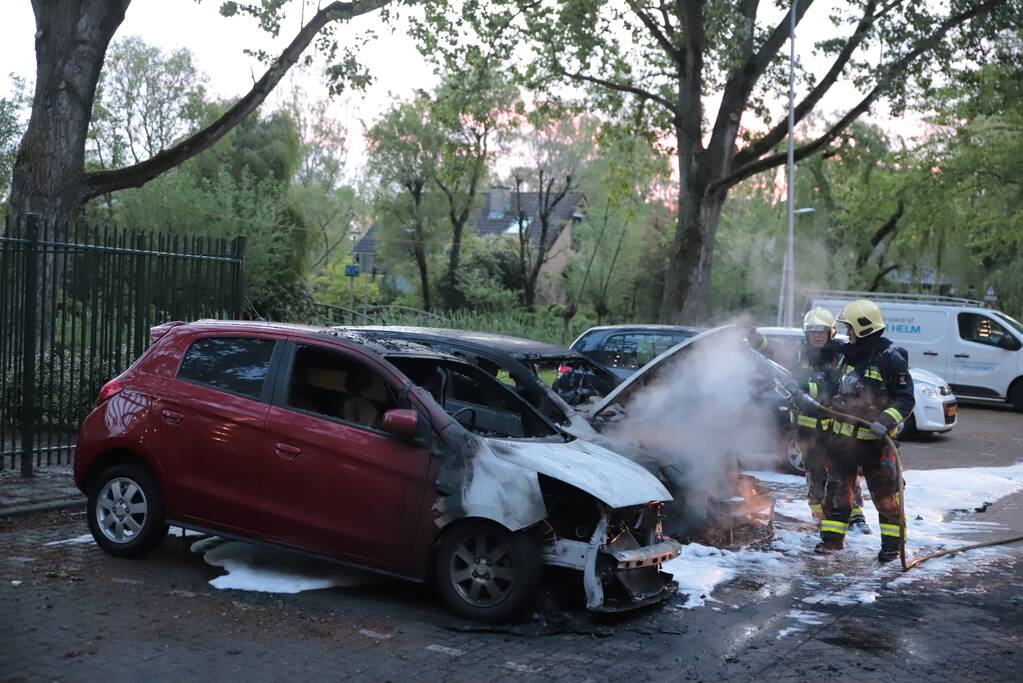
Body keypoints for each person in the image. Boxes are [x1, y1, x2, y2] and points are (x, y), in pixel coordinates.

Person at [817, 300, 915, 562]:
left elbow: (905, 399)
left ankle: (892, 546)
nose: (847, 334)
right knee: (837, 494)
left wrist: (886, 419)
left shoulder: (890, 359)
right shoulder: (847, 356)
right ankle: (831, 542)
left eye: (850, 329)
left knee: (886, 497)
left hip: (876, 443)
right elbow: (836, 388)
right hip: (843, 442)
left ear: (864, 328)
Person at [793, 308, 870, 533]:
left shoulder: (842, 355)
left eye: (822, 331)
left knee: (846, 471)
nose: (817, 335)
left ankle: (856, 515)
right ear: (806, 333)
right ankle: (819, 514)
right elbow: (782, 369)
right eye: (812, 331)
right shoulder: (799, 355)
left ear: (831, 332)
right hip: (807, 429)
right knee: (815, 473)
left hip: (838, 425)